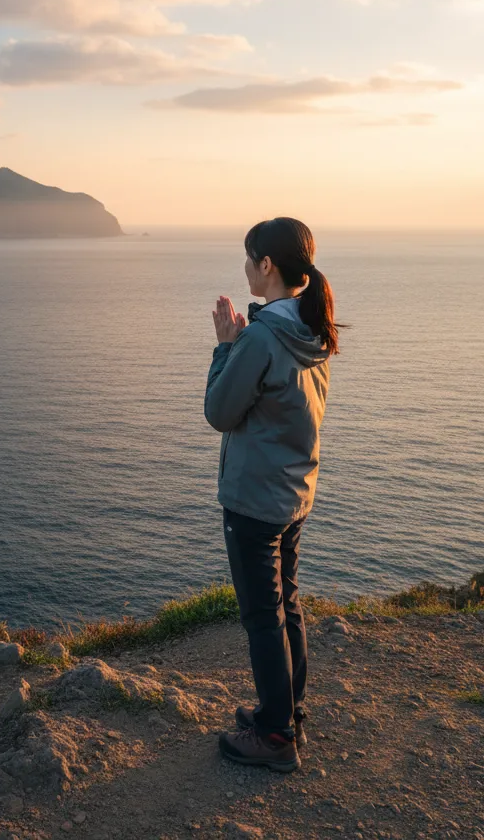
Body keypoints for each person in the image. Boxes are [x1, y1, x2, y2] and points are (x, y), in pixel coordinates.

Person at [204, 217, 343, 773]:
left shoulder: (263, 336)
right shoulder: (313, 328)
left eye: (249, 257)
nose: (245, 267)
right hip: (294, 493)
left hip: (255, 500)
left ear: (267, 266)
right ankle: (286, 709)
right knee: (286, 605)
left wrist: (225, 348)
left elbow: (220, 412)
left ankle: (276, 736)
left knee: (262, 617)